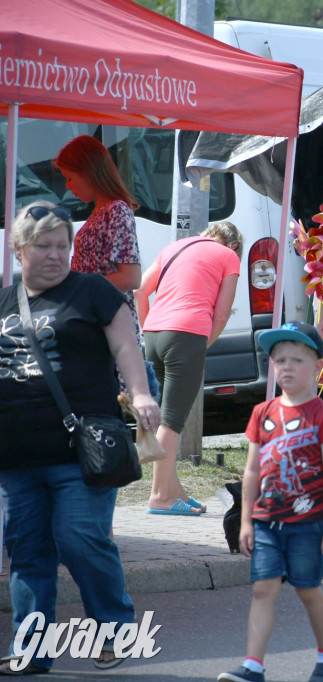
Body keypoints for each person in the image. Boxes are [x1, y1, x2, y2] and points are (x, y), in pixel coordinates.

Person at [0, 201, 161, 674]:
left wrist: (140, 393)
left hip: (81, 450)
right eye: (43, 246)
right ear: (19, 249)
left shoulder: (91, 290)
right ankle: (31, 650)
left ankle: (115, 632)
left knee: (79, 539)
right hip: (15, 451)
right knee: (27, 551)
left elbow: (125, 345)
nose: (55, 255)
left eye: (62, 245)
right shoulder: (5, 301)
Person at [219, 322, 323, 682]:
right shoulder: (263, 412)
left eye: (297, 360)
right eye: (279, 360)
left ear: (317, 365)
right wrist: (245, 520)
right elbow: (252, 470)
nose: (286, 367)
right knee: (263, 588)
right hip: (266, 521)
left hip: (309, 523)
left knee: (308, 589)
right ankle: (253, 666)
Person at [135, 222, 242, 514]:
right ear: (234, 246)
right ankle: (159, 497)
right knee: (172, 420)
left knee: (166, 416)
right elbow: (221, 314)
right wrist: (201, 344)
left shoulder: (172, 248)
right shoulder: (228, 256)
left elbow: (139, 291)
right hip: (187, 334)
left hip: (155, 335)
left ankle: (174, 491)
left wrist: (147, 330)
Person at [55, 135, 142, 325]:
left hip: (107, 322)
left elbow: (131, 278)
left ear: (88, 173)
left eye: (70, 178)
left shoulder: (116, 210)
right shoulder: (102, 211)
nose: (67, 186)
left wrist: (79, 289)